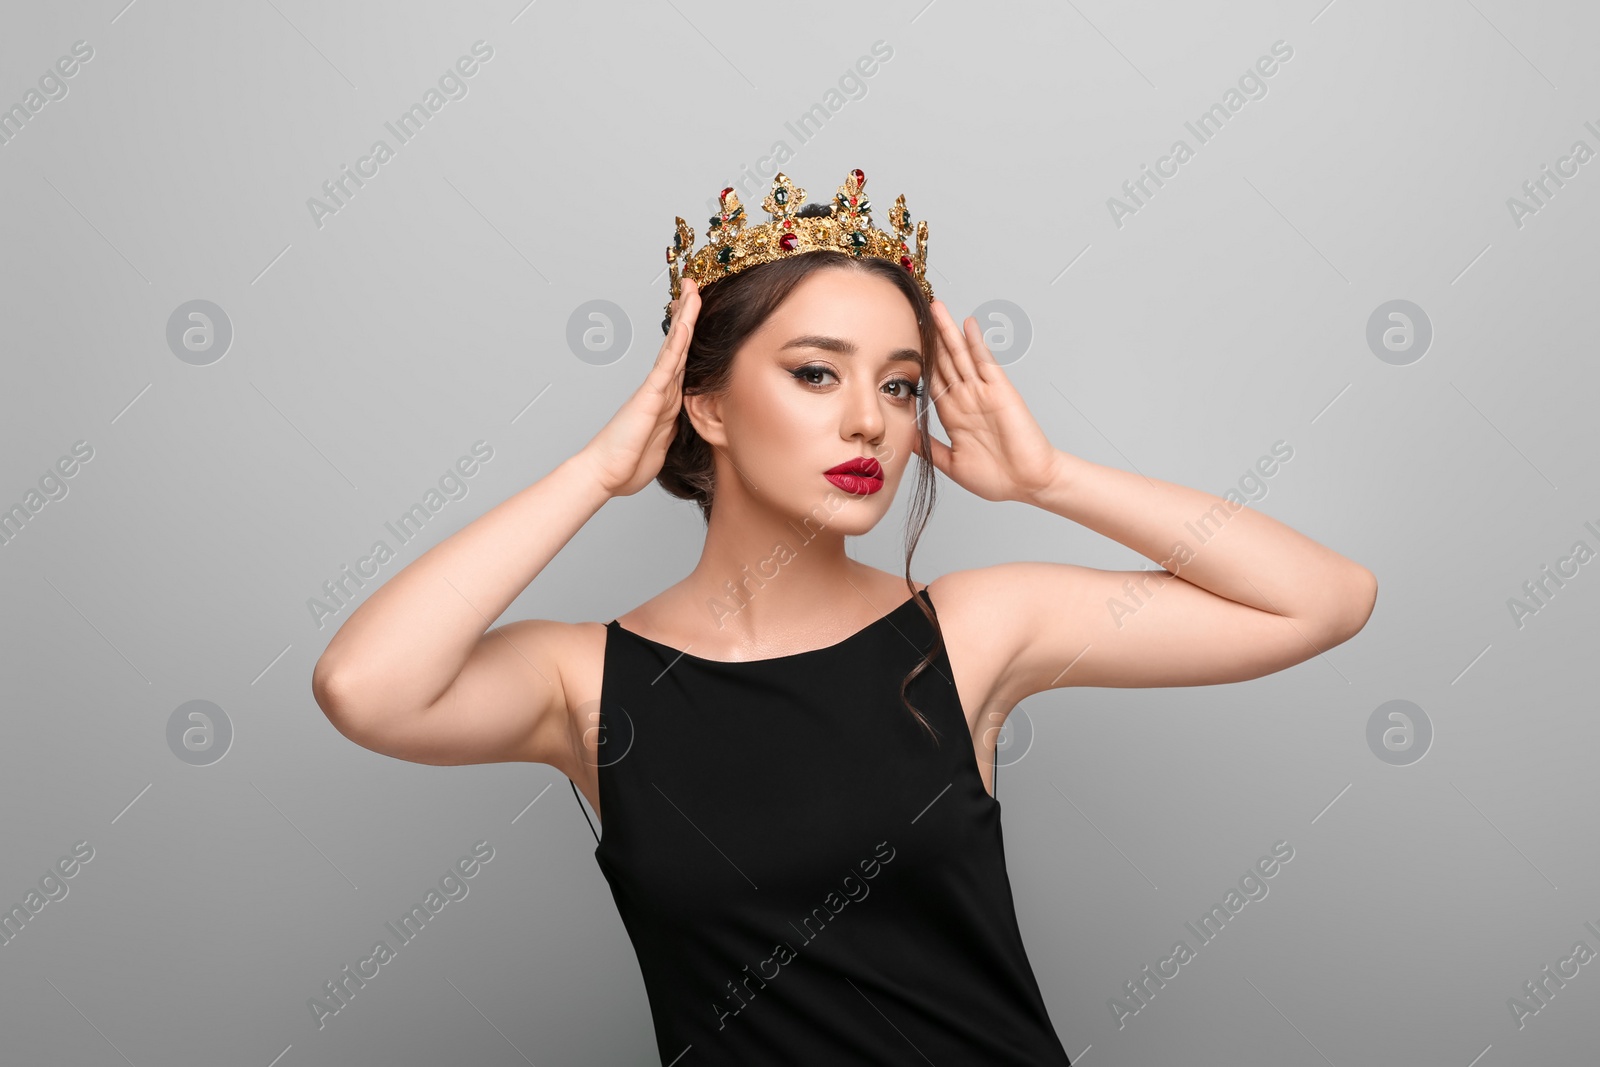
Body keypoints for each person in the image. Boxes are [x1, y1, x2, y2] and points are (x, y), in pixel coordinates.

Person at [311, 169, 1377, 1065]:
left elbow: (1323, 598)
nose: (869, 417)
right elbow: (365, 686)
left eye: (903, 385)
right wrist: (595, 471)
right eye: (815, 372)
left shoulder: (966, 632)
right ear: (709, 402)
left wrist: (1049, 478)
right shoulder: (587, 684)